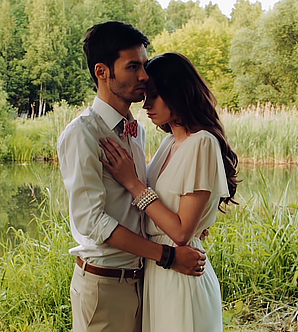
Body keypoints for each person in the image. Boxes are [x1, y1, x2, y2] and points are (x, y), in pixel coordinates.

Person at [57, 22, 207, 332]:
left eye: (145, 66)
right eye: (133, 67)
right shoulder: (83, 135)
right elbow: (92, 221)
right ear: (102, 71)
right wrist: (168, 256)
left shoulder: (134, 129)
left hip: (145, 280)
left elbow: (140, 201)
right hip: (106, 285)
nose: (144, 76)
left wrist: (190, 225)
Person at [100, 52, 239, 332]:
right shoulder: (167, 144)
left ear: (177, 93)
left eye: (154, 95)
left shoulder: (202, 143)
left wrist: (133, 183)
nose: (146, 104)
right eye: (145, 96)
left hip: (181, 272)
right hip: (158, 270)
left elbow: (181, 232)